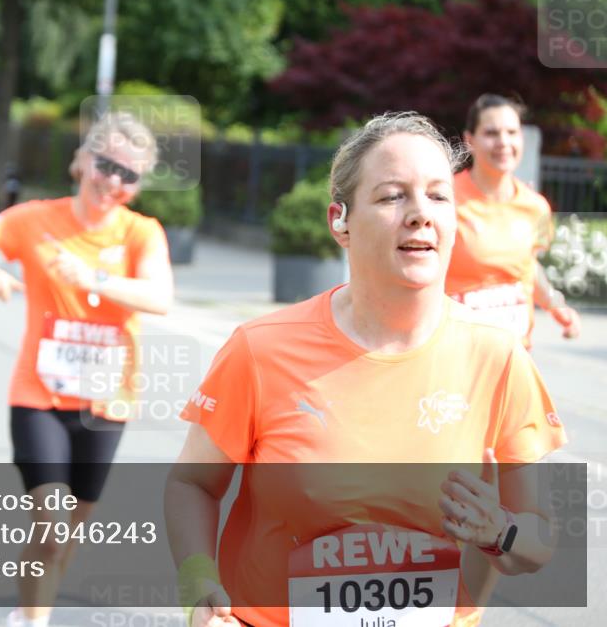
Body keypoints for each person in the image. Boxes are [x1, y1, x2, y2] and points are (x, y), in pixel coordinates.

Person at [166, 113, 566, 627]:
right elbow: (192, 484)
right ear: (341, 221)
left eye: (438, 196)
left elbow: (537, 543)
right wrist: (199, 585)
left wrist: (500, 531)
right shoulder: (260, 349)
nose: (420, 214)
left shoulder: (499, 356)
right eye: (393, 196)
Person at [0, 111, 174, 627]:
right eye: (106, 164)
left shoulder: (141, 233)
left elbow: (159, 298)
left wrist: (93, 278)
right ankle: (32, 620)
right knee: (51, 524)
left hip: (105, 403)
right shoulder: (34, 220)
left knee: (71, 528)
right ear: (82, 160)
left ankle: (33, 606)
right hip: (38, 397)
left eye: (128, 174)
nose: (113, 181)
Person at [446, 94, 580, 347]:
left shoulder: (536, 206)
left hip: (516, 354)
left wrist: (556, 306)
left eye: (512, 132)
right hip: (458, 352)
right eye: (492, 133)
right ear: (469, 140)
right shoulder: (444, 198)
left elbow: (529, 267)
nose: (504, 142)